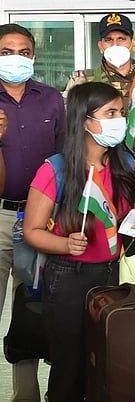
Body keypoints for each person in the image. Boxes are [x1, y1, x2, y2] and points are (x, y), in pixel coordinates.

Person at [23, 82, 135, 402]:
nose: (119, 119)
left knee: (111, 366)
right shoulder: (56, 169)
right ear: (85, 121)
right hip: (68, 279)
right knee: (70, 368)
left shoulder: (128, 166)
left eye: (121, 112)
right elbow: (32, 231)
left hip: (115, 276)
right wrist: (64, 244)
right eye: (110, 113)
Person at [0, 23, 65, 401]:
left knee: (32, 310)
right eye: (7, 52)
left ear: (34, 57)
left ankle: (27, 395)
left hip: (44, 219)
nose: (15, 59)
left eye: (23, 52)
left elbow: (63, 153)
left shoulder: (52, 98)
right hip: (1, 215)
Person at [66, 14, 135, 186]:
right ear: (100, 46)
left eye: (121, 38)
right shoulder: (83, 81)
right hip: (99, 180)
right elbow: (72, 132)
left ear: (133, 44)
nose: (115, 45)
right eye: (108, 40)